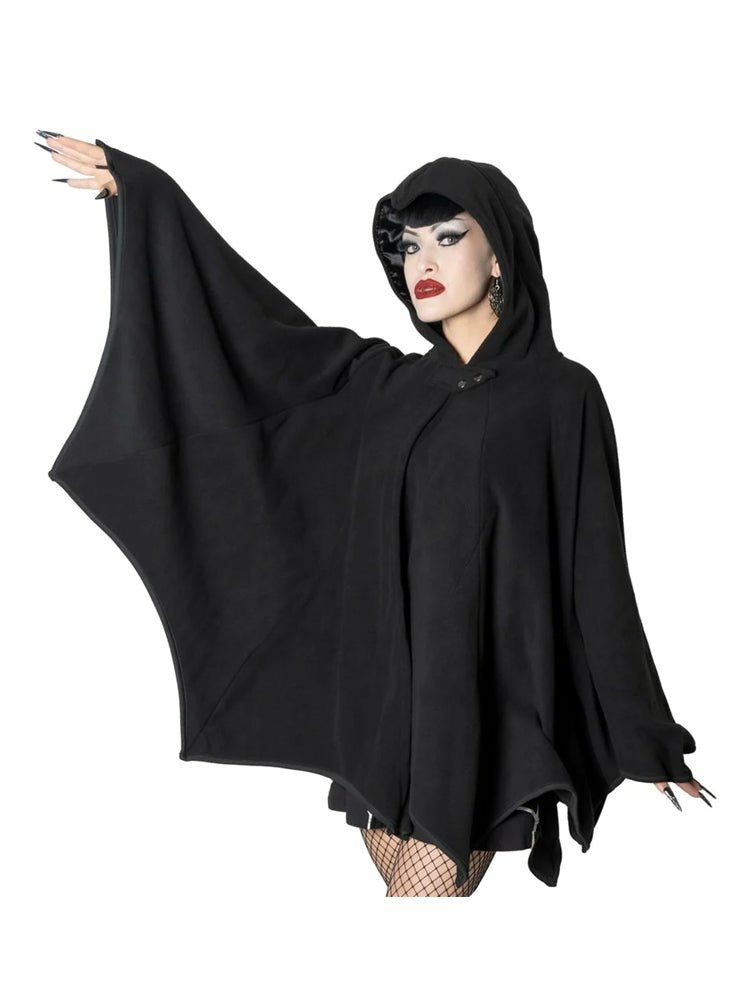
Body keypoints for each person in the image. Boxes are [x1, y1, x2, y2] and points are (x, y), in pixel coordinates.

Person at [38, 130, 715, 898]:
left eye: (448, 238)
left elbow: (597, 576)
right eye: (408, 245)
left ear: (500, 256)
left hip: (481, 726)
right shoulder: (384, 387)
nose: (422, 261)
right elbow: (247, 331)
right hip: (383, 722)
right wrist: (148, 199)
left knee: (421, 903)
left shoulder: (562, 396)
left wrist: (646, 739)